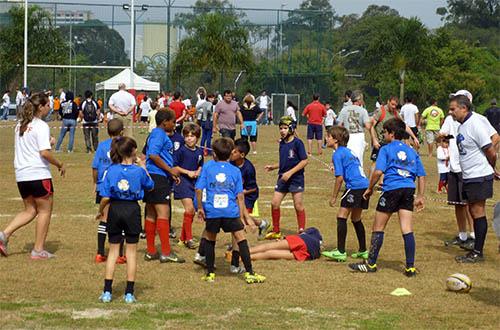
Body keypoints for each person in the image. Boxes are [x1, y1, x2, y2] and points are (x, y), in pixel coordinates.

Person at [349, 118, 426, 277]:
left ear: (391, 133)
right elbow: (421, 175)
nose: (383, 135)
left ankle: (371, 264)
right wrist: (420, 195)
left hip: (391, 190)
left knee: (378, 227)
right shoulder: (411, 150)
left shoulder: (386, 149)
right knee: (407, 228)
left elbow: (378, 172)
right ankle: (410, 267)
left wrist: (370, 188)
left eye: (384, 132)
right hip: (408, 190)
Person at [0, 93, 66, 259]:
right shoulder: (41, 125)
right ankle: (38, 250)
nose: (50, 107)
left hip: (22, 175)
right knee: (44, 211)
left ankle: (3, 235)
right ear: (41, 107)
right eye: (48, 105)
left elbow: (32, 145)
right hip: (38, 174)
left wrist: (48, 142)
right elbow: (44, 153)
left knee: (30, 210)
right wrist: (59, 164)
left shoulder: (20, 125)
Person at [195, 137, 266, 284]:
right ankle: (250, 273)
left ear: (214, 153)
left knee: (210, 240)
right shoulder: (235, 170)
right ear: (229, 154)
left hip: (213, 211)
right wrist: (241, 217)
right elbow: (240, 196)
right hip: (230, 212)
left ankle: (210, 273)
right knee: (241, 239)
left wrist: (201, 208)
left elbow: (198, 188)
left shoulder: (208, 167)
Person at [97, 136, 154, 303]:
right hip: (132, 210)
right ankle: (129, 293)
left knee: (113, 251)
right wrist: (143, 167)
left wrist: (101, 212)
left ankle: (107, 291)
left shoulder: (111, 170)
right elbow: (150, 185)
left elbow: (105, 197)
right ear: (133, 151)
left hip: (115, 209)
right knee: (131, 253)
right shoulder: (138, 171)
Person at [449, 95, 499, 263]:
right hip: (469, 175)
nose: (451, 112)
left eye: (453, 109)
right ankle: (476, 246)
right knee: (472, 210)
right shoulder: (462, 125)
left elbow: (491, 150)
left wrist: (490, 168)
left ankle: (478, 251)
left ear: (464, 108)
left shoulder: (475, 124)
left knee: (478, 211)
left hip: (479, 175)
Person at [321, 126, 369, 262]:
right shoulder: (349, 152)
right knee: (356, 219)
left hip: (354, 187)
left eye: (328, 136)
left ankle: (340, 251)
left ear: (335, 140)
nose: (326, 138)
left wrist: (334, 197)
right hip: (364, 186)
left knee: (341, 216)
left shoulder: (337, 154)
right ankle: (363, 250)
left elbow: (340, 178)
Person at [143, 110, 184, 263]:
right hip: (158, 177)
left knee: (151, 213)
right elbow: (153, 154)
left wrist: (171, 174)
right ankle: (166, 252)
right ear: (165, 122)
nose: (174, 124)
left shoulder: (156, 134)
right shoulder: (159, 134)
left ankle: (151, 251)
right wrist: (169, 170)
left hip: (155, 176)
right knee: (163, 214)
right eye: (173, 121)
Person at [264, 116, 308, 239]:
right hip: (283, 178)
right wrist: (274, 167)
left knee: (298, 205)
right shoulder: (282, 143)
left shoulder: (298, 143)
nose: (282, 131)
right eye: (280, 128)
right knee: (275, 203)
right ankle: (276, 230)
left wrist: (290, 173)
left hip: (296, 178)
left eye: (285, 128)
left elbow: (304, 161)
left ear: (292, 129)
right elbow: (284, 162)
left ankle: (301, 230)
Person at [439, 106, 475, 249]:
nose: (452, 110)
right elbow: (443, 135)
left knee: (469, 204)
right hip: (453, 167)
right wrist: (445, 137)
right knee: (458, 204)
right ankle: (462, 235)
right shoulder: (449, 119)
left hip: (466, 168)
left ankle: (473, 236)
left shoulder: (474, 120)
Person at [92, 119, 125, 263]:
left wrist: (95, 182)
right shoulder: (124, 145)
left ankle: (100, 252)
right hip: (119, 185)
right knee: (121, 219)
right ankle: (119, 254)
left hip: (103, 185)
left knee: (104, 218)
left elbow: (95, 167)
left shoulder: (102, 146)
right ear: (122, 131)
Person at [230, 138, 270, 238]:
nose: (231, 153)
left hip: (248, 196)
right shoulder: (231, 164)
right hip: (237, 195)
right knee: (236, 216)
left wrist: (240, 192)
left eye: (234, 152)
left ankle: (237, 243)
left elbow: (252, 188)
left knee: (239, 218)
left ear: (242, 155)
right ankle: (262, 223)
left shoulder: (249, 168)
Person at [370, 96, 419, 176]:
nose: (393, 107)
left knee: (388, 163)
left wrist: (414, 137)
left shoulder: (396, 113)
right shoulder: (381, 111)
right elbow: (371, 126)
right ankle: (369, 185)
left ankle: (382, 184)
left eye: (395, 105)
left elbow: (404, 126)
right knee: (375, 163)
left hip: (391, 143)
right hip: (380, 143)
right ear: (388, 101)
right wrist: (374, 140)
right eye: (392, 104)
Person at [173, 123, 204, 249]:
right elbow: (175, 167)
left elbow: (201, 164)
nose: (189, 138)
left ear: (197, 137)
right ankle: (189, 239)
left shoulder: (200, 151)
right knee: (189, 209)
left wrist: (198, 171)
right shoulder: (180, 151)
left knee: (191, 211)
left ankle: (182, 238)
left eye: (192, 136)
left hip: (194, 183)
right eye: (187, 136)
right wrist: (188, 172)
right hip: (182, 181)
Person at [337, 90, 371, 167]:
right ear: (359, 100)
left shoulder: (344, 109)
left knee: (347, 157)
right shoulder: (363, 111)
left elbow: (339, 125)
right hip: (359, 135)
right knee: (358, 158)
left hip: (347, 135)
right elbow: (368, 126)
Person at [250, 227, 322, 261]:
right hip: (309, 253)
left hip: (303, 241)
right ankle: (246, 258)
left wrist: (283, 239)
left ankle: (244, 254)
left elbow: (302, 234)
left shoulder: (313, 231)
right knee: (270, 253)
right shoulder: (318, 244)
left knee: (268, 247)